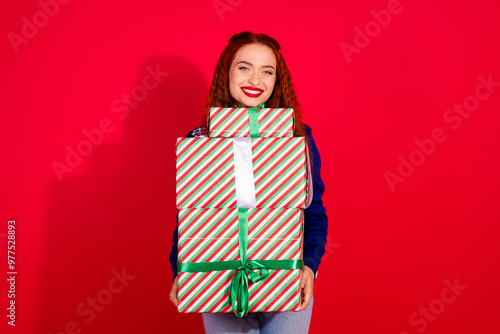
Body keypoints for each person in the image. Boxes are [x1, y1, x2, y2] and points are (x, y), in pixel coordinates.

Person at [169, 31, 328, 334]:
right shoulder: (200, 141)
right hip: (216, 280)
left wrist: (310, 265)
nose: (255, 79)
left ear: (276, 81)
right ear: (225, 73)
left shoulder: (298, 139)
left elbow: (314, 211)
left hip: (286, 280)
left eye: (267, 71)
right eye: (244, 67)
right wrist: (180, 269)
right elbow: (189, 215)